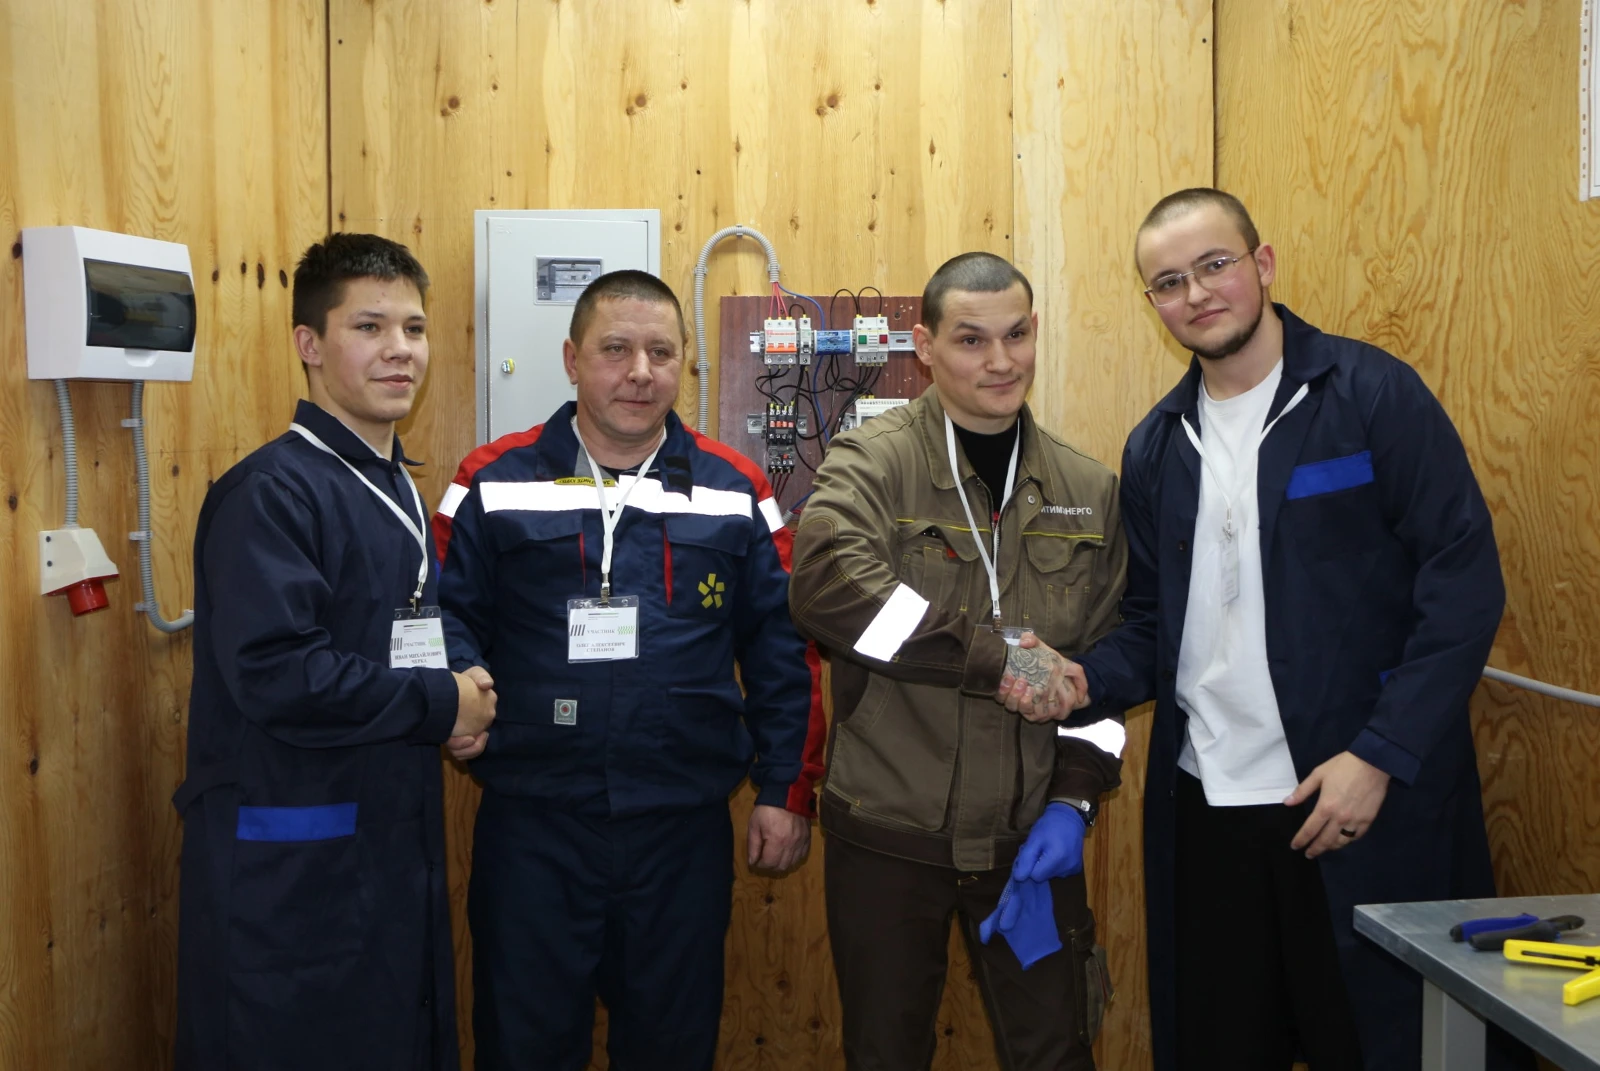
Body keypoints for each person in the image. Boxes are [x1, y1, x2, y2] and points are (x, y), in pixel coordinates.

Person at [1069, 188, 1526, 1070]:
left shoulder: (1372, 394)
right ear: (1152, 302)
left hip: (1359, 802)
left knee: (1390, 1043)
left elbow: (1463, 585)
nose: (1197, 293)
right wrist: (1084, 678)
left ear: (1264, 264)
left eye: (1215, 265)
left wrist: (1379, 754)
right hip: (1210, 813)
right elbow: (1155, 625)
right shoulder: (1156, 445)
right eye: (1169, 282)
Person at [432, 269, 825, 1070]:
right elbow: (440, 611)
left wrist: (786, 790)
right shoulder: (491, 479)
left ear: (684, 364)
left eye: (660, 352)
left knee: (671, 1047)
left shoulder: (735, 489)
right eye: (615, 349)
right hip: (534, 828)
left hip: (680, 832)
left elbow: (785, 646)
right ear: (572, 359)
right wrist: (457, 691)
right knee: (522, 1046)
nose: (640, 372)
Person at [788, 252, 1129, 1071]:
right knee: (886, 1053)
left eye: (1016, 335)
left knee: (1058, 1053)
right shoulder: (872, 463)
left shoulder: (1088, 489)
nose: (1000, 360)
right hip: (889, 841)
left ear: (1035, 331)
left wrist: (1073, 803)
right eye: (971, 339)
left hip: (1029, 842)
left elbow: (1105, 673)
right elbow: (828, 585)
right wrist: (995, 661)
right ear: (925, 346)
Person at [173, 233, 497, 1070]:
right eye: (369, 326)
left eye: (414, 328)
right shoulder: (271, 492)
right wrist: (441, 703)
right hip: (291, 866)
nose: (400, 349)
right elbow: (281, 674)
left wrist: (461, 686)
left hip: (383, 846)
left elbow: (401, 628)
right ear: (309, 344)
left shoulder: (393, 484)